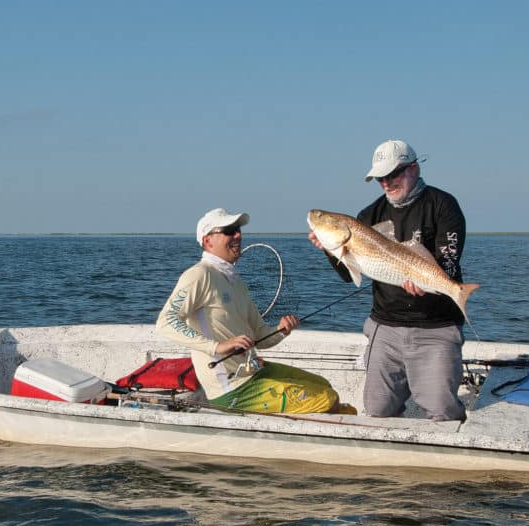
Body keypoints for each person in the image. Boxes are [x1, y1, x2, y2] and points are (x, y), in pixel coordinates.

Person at [308, 139, 468, 422]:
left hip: (435, 326)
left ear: (414, 168)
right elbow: (349, 275)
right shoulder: (368, 216)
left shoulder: (443, 205)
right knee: (378, 411)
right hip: (385, 325)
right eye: (380, 177)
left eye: (393, 174)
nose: (386, 182)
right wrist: (330, 251)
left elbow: (449, 260)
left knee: (443, 410)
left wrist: (431, 283)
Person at [156, 208, 343, 414]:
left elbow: (260, 338)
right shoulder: (199, 275)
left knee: (323, 384)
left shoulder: (236, 282)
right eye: (229, 230)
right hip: (232, 389)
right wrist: (217, 347)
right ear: (208, 241)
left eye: (238, 230)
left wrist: (281, 329)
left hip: (254, 371)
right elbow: (166, 322)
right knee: (327, 399)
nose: (238, 235)